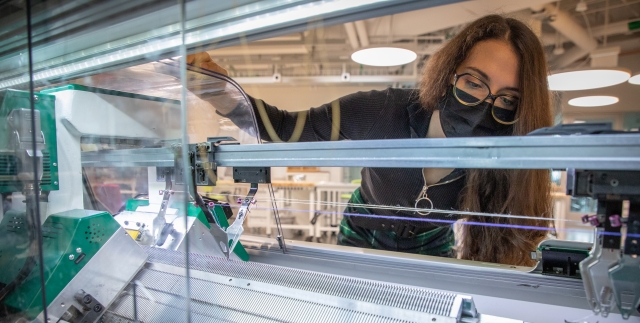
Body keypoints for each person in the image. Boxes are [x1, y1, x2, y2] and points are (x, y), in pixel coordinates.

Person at [187, 14, 554, 267]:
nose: (484, 106)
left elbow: (513, 246)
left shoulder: (504, 154)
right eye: (473, 82)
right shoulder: (381, 111)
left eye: (508, 100)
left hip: (433, 245)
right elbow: (286, 130)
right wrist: (219, 91)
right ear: (448, 73)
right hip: (360, 232)